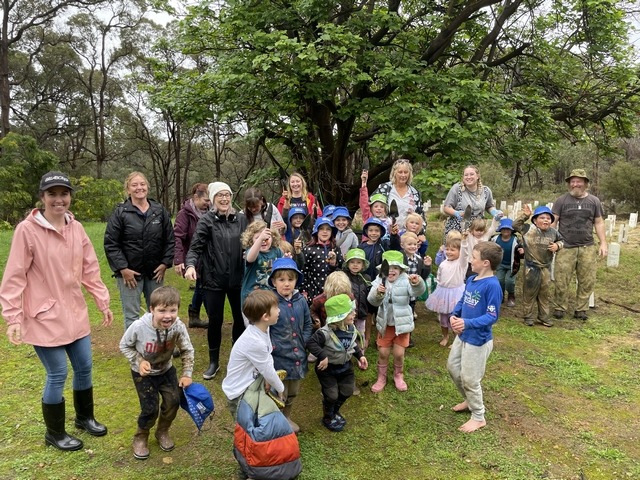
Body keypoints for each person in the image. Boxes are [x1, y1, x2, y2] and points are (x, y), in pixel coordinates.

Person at [0, 171, 113, 451]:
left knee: (85, 367)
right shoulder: (27, 230)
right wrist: (13, 317)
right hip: (44, 316)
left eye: (64, 194)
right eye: (52, 194)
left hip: (75, 313)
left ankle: (84, 418)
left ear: (70, 197)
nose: (59, 200)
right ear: (42, 197)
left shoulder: (76, 228)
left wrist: (101, 299)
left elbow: (89, 268)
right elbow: (14, 276)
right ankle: (55, 433)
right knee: (58, 373)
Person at [119, 286, 195, 459]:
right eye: (162, 310)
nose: (168, 315)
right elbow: (124, 345)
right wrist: (139, 361)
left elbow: (187, 349)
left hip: (166, 370)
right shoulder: (139, 327)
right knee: (150, 408)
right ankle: (141, 436)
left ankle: (162, 431)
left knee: (173, 402)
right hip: (143, 374)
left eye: (172, 310)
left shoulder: (178, 327)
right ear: (152, 309)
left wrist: (186, 374)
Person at [185, 182, 247, 379]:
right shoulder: (207, 221)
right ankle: (214, 362)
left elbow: (253, 241)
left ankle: (237, 360)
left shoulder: (241, 220)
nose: (224, 199)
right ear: (213, 199)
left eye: (227, 195)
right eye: (219, 195)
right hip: (213, 280)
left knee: (240, 319)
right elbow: (194, 248)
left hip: (238, 280)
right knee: (215, 320)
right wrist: (190, 266)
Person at [104, 171, 175, 331]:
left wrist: (165, 263)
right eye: (134, 185)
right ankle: (136, 353)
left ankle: (158, 347)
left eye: (142, 184)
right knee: (132, 316)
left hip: (154, 273)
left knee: (159, 312)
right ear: (128, 189)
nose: (139, 188)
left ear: (147, 187)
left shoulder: (159, 211)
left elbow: (170, 239)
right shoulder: (120, 213)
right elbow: (111, 243)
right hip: (130, 275)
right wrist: (122, 268)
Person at [447, 242, 503, 433]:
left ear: (485, 263)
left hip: (478, 340)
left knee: (470, 379)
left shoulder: (492, 286)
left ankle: (478, 417)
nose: (470, 260)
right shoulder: (472, 279)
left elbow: (492, 316)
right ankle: (469, 401)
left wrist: (467, 323)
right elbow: (464, 300)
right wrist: (455, 314)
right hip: (463, 335)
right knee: (453, 368)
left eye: (474, 257)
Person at [306, 294, 368, 432]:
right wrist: (322, 356)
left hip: (345, 367)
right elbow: (311, 343)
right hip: (328, 370)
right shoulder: (325, 333)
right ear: (340, 316)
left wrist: (360, 356)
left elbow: (353, 344)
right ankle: (328, 416)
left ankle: (334, 411)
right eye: (350, 312)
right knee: (331, 395)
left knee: (347, 391)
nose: (354, 313)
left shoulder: (350, 328)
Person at [552, 169, 608, 321]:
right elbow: (553, 222)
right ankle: (559, 307)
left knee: (587, 279)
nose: (575, 184)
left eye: (578, 181)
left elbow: (599, 222)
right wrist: (551, 241)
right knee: (561, 279)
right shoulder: (561, 201)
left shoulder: (594, 201)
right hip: (565, 246)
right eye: (572, 181)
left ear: (585, 183)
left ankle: (581, 309)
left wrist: (603, 243)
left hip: (587, 247)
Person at [367, 250, 425, 393]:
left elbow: (417, 292)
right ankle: (381, 378)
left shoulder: (406, 280)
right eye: (389, 268)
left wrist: (417, 283)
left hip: (401, 324)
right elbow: (372, 301)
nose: (391, 271)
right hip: (385, 324)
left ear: (401, 269)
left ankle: (398, 375)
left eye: (396, 268)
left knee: (399, 354)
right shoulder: (379, 281)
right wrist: (378, 294)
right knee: (383, 353)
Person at [222, 289, 285, 419]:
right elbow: (267, 369)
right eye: (276, 308)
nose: (279, 311)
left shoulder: (263, 329)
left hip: (250, 385)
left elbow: (268, 355)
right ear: (266, 316)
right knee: (246, 427)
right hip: (239, 393)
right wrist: (280, 388)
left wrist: (269, 379)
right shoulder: (255, 342)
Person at [268, 257, 313, 433]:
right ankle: (275, 423)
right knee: (279, 393)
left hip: (298, 357)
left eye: (290, 279)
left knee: (293, 392)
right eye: (281, 280)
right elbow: (264, 330)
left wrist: (304, 340)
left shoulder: (300, 300)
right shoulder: (270, 302)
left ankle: (286, 418)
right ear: (273, 281)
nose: (286, 284)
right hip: (278, 359)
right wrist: (271, 347)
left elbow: (308, 324)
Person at [514, 205, 564, 327]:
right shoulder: (528, 229)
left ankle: (543, 317)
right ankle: (528, 316)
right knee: (529, 293)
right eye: (542, 217)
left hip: (546, 267)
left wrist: (557, 246)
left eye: (548, 218)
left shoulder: (553, 233)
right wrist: (525, 215)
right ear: (535, 220)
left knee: (544, 293)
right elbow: (515, 225)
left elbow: (562, 241)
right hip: (531, 268)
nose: (546, 220)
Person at [173, 182, 211, 328]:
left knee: (201, 285)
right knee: (203, 285)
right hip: (193, 256)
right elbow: (178, 237)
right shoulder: (184, 214)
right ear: (196, 197)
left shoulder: (210, 212)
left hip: (209, 257)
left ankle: (194, 315)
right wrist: (179, 259)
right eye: (205, 200)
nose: (207, 204)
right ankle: (209, 316)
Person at [426, 231, 468, 347]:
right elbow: (439, 276)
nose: (449, 252)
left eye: (452, 250)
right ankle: (445, 336)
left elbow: (465, 253)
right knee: (443, 319)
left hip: (456, 293)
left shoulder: (461, 264)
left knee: (455, 318)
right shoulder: (443, 263)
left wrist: (464, 241)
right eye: (447, 249)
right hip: (443, 292)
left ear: (460, 252)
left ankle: (457, 339)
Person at [442, 165, 502, 238]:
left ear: (478, 176)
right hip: (458, 228)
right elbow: (446, 208)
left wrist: (495, 212)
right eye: (466, 175)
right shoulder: (457, 188)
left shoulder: (486, 191)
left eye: (471, 174)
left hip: (478, 229)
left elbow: (489, 206)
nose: (468, 177)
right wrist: (456, 213)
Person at [240, 220, 283, 311]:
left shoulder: (276, 251)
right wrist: (260, 239)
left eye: (266, 238)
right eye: (257, 238)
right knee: (255, 324)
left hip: (270, 297)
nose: (263, 241)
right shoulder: (252, 251)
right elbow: (250, 258)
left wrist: (287, 259)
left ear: (272, 237)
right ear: (251, 240)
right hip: (252, 299)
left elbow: (282, 269)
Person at [371, 159, 426, 229]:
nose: (403, 175)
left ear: (409, 174)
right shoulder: (384, 189)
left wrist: (421, 233)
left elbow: (420, 216)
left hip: (408, 234)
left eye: (406, 172)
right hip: (386, 232)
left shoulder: (414, 193)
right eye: (400, 172)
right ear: (394, 173)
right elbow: (371, 207)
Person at [300, 217, 344, 304]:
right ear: (316, 231)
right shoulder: (309, 249)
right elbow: (304, 271)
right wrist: (303, 290)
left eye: (328, 229)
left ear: (332, 232)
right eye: (321, 229)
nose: (325, 232)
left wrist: (333, 264)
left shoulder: (335, 248)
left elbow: (341, 270)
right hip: (313, 290)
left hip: (332, 291)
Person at [492, 218, 523, 307]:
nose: (506, 231)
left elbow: (522, 252)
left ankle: (511, 295)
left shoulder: (516, 240)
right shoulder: (495, 239)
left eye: (508, 229)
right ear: (500, 230)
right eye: (504, 229)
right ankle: (501, 296)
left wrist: (522, 251)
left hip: (512, 265)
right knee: (499, 280)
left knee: (510, 282)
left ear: (511, 230)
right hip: (500, 264)